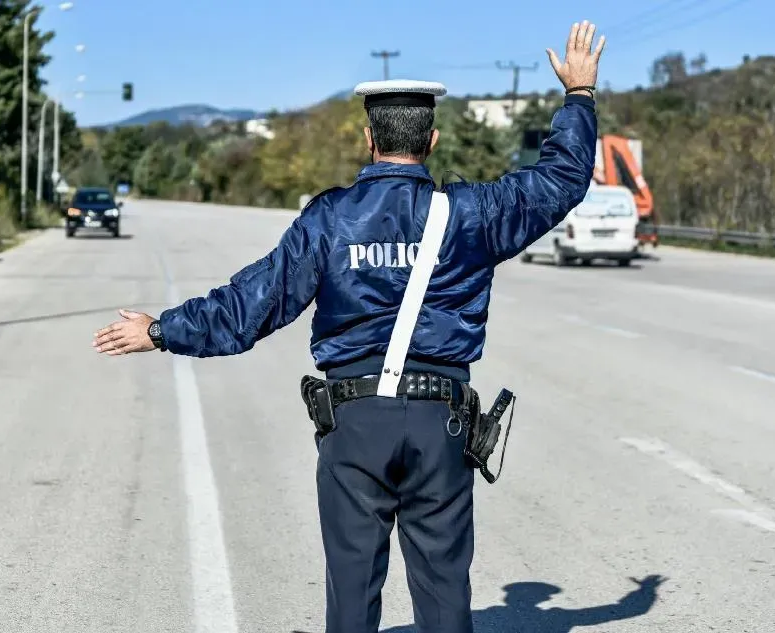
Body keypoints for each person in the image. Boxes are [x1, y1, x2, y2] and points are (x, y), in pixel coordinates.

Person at [92, 20, 605, 633]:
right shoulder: (471, 214)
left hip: (354, 422)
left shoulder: (331, 218)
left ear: (369, 137)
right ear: (432, 139)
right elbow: (558, 183)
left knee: (352, 593)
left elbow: (252, 303)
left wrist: (161, 329)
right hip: (441, 423)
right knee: (444, 598)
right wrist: (579, 97)